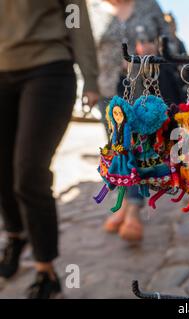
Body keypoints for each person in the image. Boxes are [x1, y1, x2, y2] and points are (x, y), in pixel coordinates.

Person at [0, 0, 99, 298]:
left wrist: (90, 77)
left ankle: (46, 270)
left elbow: (75, 17)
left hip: (48, 69)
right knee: (1, 168)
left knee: (29, 171)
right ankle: (16, 236)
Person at [96, 0, 185, 242]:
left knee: (133, 147)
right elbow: (86, 51)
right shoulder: (93, 9)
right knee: (117, 151)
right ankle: (126, 204)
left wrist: (153, 49)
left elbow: (171, 42)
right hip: (106, 88)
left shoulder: (148, 5)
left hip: (142, 87)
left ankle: (133, 208)